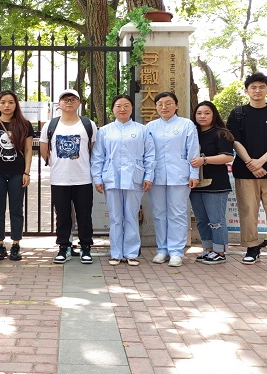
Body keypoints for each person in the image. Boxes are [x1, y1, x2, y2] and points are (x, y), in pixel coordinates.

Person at [226, 73, 267, 268]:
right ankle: (251, 249)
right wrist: (250, 163)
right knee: (248, 212)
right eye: (253, 87)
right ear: (246, 90)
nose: (257, 90)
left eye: (261, 87)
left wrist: (261, 161)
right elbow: (234, 141)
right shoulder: (237, 113)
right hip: (245, 171)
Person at [91, 95, 154, 266]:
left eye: (126, 105)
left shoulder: (142, 130)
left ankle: (131, 253)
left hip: (135, 177)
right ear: (113, 109)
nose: (122, 109)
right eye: (118, 106)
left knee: (131, 216)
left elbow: (150, 155)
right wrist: (97, 178)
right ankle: (116, 253)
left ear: (132, 108)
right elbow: (98, 157)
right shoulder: (105, 131)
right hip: (111, 177)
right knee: (115, 217)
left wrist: (148, 176)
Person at [39, 89, 97, 264]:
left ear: (79, 103)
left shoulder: (88, 124)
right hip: (59, 178)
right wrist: (55, 163)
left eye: (73, 99)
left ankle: (85, 247)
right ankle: (64, 247)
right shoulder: (50, 125)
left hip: (83, 178)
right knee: (62, 215)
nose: (69, 102)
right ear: (59, 104)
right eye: (65, 99)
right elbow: (44, 149)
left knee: (84, 215)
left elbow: (92, 148)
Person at [145, 92, 199, 267]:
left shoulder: (186, 124)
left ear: (176, 105)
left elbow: (193, 151)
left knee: (178, 213)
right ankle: (162, 249)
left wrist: (194, 174)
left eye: (168, 103)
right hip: (157, 176)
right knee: (159, 213)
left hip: (180, 175)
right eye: (160, 104)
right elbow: (147, 153)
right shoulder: (150, 127)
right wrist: (147, 175)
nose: (164, 107)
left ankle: (176, 251)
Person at [0, 91, 34, 261]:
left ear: (16, 104)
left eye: (11, 102)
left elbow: (28, 150)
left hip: (17, 173)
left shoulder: (25, 125)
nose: (7, 105)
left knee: (16, 209)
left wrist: (26, 172)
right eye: (3, 102)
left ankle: (16, 245)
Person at [189, 101, 235, 265]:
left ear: (214, 115)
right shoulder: (192, 133)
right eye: (199, 113)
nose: (202, 116)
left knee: (216, 220)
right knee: (201, 220)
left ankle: (219, 251)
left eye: (207, 113)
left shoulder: (221, 133)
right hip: (195, 184)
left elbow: (228, 157)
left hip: (216, 184)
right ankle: (207, 249)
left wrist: (204, 160)